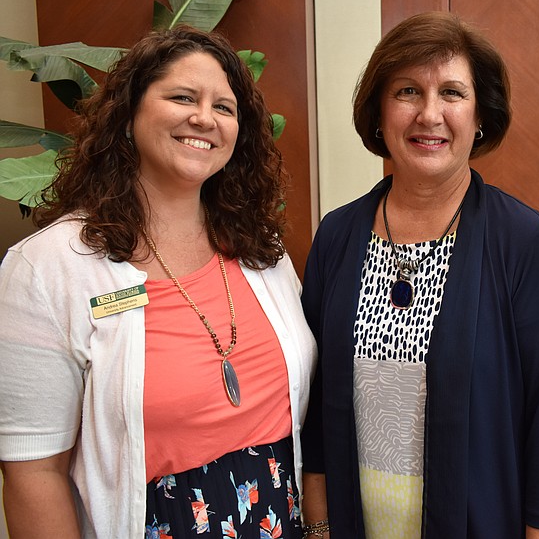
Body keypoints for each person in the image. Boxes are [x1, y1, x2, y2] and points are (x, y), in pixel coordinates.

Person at [0, 26, 317, 538]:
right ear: (128, 114)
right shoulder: (49, 268)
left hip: (279, 515)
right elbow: (34, 472)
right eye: (182, 97)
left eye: (224, 107)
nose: (204, 118)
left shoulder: (262, 250)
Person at [299, 11, 539, 539]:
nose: (429, 114)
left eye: (452, 93)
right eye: (408, 91)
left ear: (480, 116)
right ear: (380, 113)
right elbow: (316, 407)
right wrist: (318, 529)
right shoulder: (337, 236)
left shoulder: (525, 243)